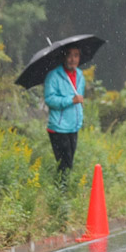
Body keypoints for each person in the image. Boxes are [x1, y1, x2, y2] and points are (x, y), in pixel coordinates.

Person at [44, 46, 85, 181]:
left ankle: (63, 192)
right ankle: (61, 195)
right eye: (70, 55)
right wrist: (71, 100)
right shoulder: (54, 76)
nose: (73, 59)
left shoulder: (80, 75)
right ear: (64, 57)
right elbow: (50, 99)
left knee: (69, 163)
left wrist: (79, 104)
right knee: (64, 164)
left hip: (73, 126)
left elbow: (79, 97)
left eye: (76, 55)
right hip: (58, 127)